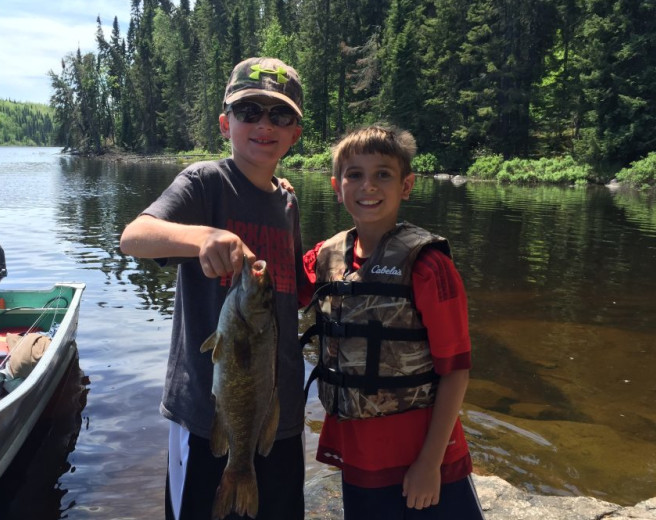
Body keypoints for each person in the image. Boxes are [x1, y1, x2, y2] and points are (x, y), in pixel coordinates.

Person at [119, 57, 307, 520]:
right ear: (226, 124)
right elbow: (133, 238)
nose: (264, 124)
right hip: (208, 414)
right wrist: (201, 236)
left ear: (295, 134)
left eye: (279, 115)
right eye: (249, 112)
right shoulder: (205, 184)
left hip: (279, 415)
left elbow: (294, 289)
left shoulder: (287, 201)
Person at [299, 125, 484, 519]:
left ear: (406, 185)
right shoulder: (325, 257)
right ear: (337, 185)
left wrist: (429, 465)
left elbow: (457, 372)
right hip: (360, 456)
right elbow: (269, 285)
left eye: (383, 174)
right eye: (355, 174)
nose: (368, 186)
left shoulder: (429, 265)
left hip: (421, 456)